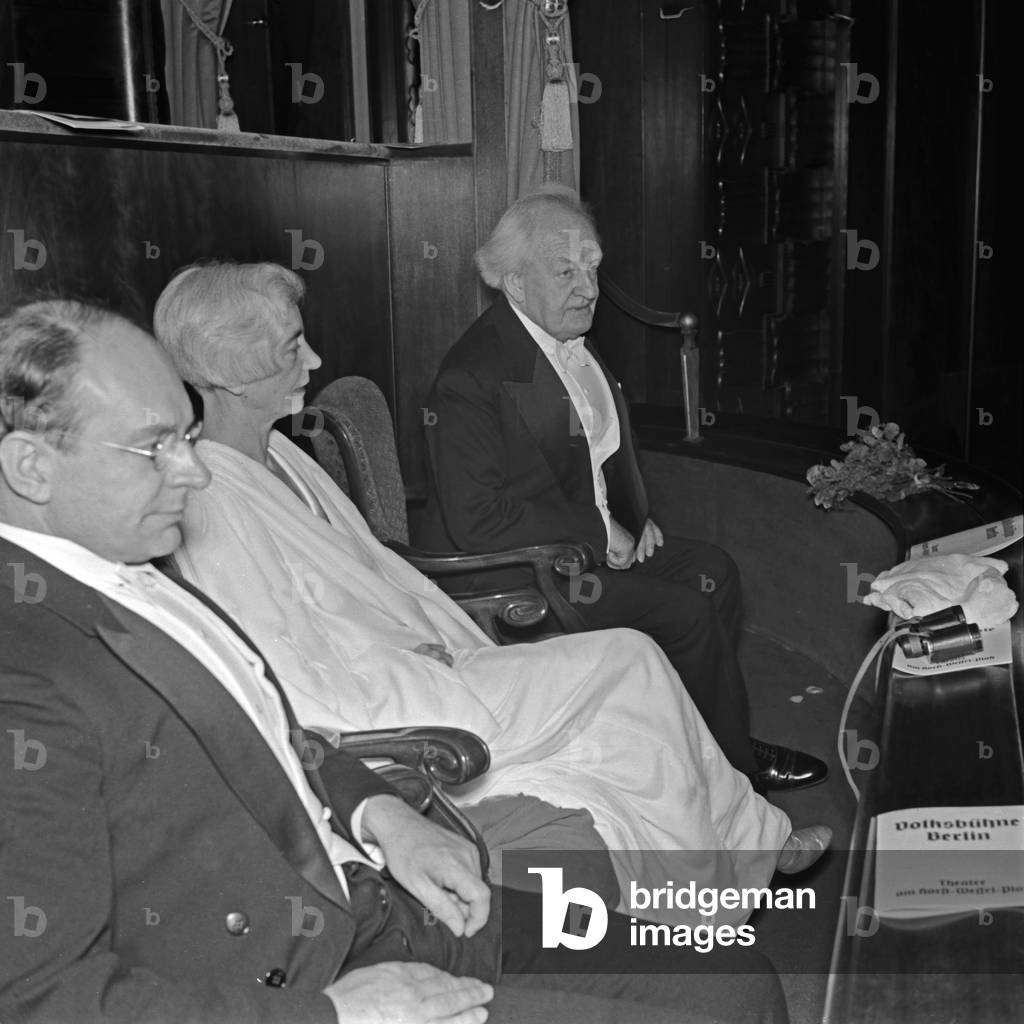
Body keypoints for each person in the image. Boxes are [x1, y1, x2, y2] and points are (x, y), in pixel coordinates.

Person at [0, 299, 790, 1024]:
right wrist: (336, 1015)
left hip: (377, 902)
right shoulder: (25, 678)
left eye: (186, 436)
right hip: (299, 980)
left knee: (735, 978)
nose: (197, 471)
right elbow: (40, 1001)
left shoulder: (125, 564)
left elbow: (273, 730)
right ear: (31, 468)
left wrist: (380, 814)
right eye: (154, 447)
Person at [152, 260, 830, 929]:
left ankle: (729, 865)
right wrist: (414, 660)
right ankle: (724, 877)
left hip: (428, 655)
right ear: (230, 370)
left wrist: (435, 635)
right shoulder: (208, 492)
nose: (316, 359)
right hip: (388, 699)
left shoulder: (285, 455)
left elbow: (375, 573)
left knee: (629, 691)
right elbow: (277, 665)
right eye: (293, 346)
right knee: (632, 662)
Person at [417, 185, 826, 792]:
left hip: (582, 542)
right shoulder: (470, 377)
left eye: (592, 268)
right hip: (519, 569)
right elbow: (478, 518)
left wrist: (634, 516)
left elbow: (595, 452)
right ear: (514, 283)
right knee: (685, 612)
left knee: (714, 570)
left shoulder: (563, 339)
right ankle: (734, 775)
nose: (588, 288)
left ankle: (697, 744)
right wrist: (597, 530)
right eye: (565, 271)